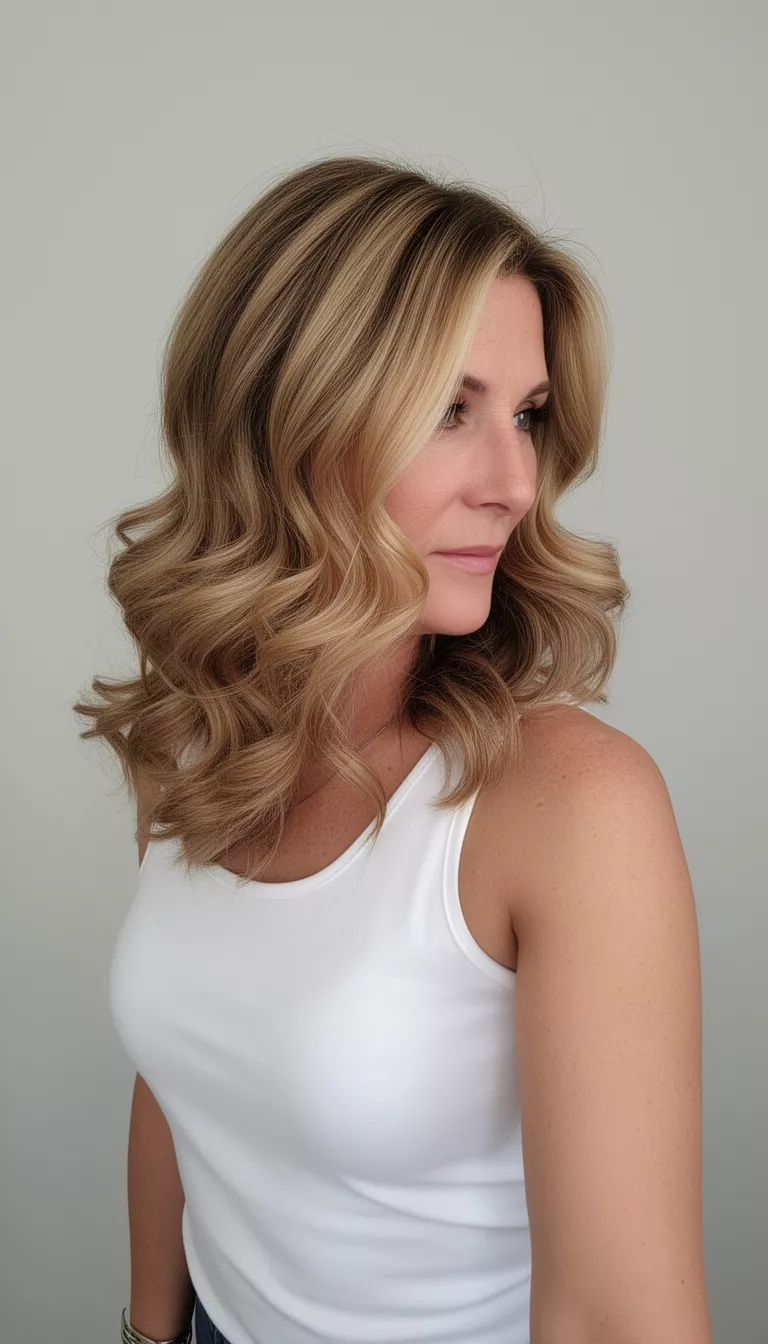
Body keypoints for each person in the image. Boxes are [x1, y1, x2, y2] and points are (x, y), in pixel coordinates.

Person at [74, 153, 712, 1344]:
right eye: (448, 410)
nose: (517, 482)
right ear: (288, 422)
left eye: (526, 416)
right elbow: (184, 1075)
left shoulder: (568, 806)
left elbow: (623, 1316)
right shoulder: (212, 728)